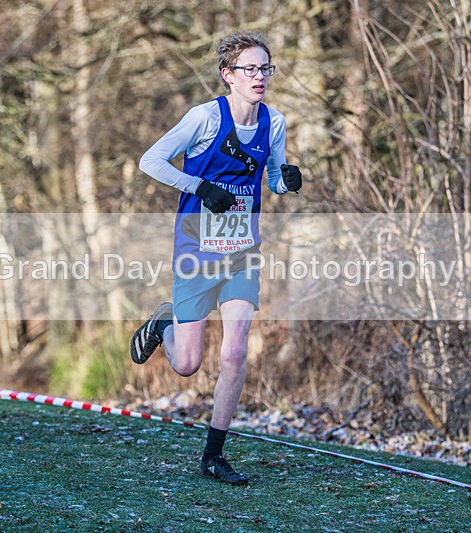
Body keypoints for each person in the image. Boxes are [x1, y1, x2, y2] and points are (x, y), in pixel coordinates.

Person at [130, 31, 303, 485]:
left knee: (235, 353)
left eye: (265, 68)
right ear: (228, 75)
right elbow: (150, 160)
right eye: (250, 69)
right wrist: (200, 186)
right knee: (187, 363)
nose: (260, 76)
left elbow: (273, 178)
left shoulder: (274, 122)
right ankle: (163, 325)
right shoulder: (204, 118)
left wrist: (287, 181)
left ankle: (213, 455)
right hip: (196, 250)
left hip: (242, 252)